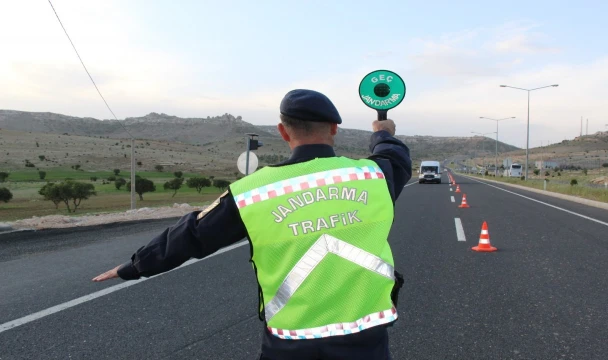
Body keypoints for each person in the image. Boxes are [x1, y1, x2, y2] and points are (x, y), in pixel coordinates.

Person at [93, 89, 412, 359]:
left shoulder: (253, 191)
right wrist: (383, 132)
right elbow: (394, 155)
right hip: (366, 335)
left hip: (291, 340)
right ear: (333, 129)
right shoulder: (375, 176)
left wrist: (133, 266)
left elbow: (192, 235)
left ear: (283, 131)